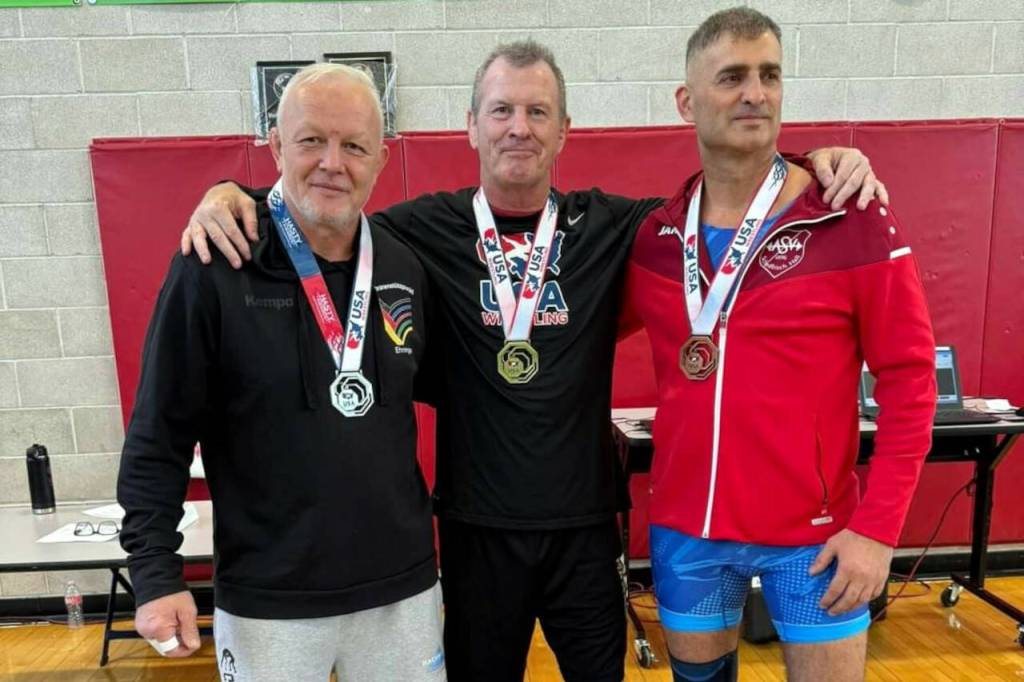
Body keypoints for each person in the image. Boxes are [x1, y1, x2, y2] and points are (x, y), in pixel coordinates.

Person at [178, 42, 886, 682]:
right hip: (476, 529)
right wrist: (230, 193)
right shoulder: (413, 233)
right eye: (502, 110)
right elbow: (318, 214)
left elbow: (729, 199)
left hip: (583, 528)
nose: (519, 126)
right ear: (471, 126)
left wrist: (815, 163)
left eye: (537, 111)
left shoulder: (615, 227)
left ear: (563, 131)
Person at [626, 8, 937, 682]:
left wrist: (880, 530)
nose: (755, 93)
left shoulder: (848, 215)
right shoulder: (654, 239)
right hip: (688, 533)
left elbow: (911, 379)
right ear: (686, 102)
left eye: (769, 75)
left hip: (816, 538)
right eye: (732, 76)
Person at [117, 64, 444, 682]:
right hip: (269, 601)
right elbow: (159, 431)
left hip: (401, 592)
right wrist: (155, 573)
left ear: (380, 159)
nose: (332, 162)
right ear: (274, 146)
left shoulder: (402, 265)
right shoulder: (216, 262)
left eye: (353, 146)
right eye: (311, 140)